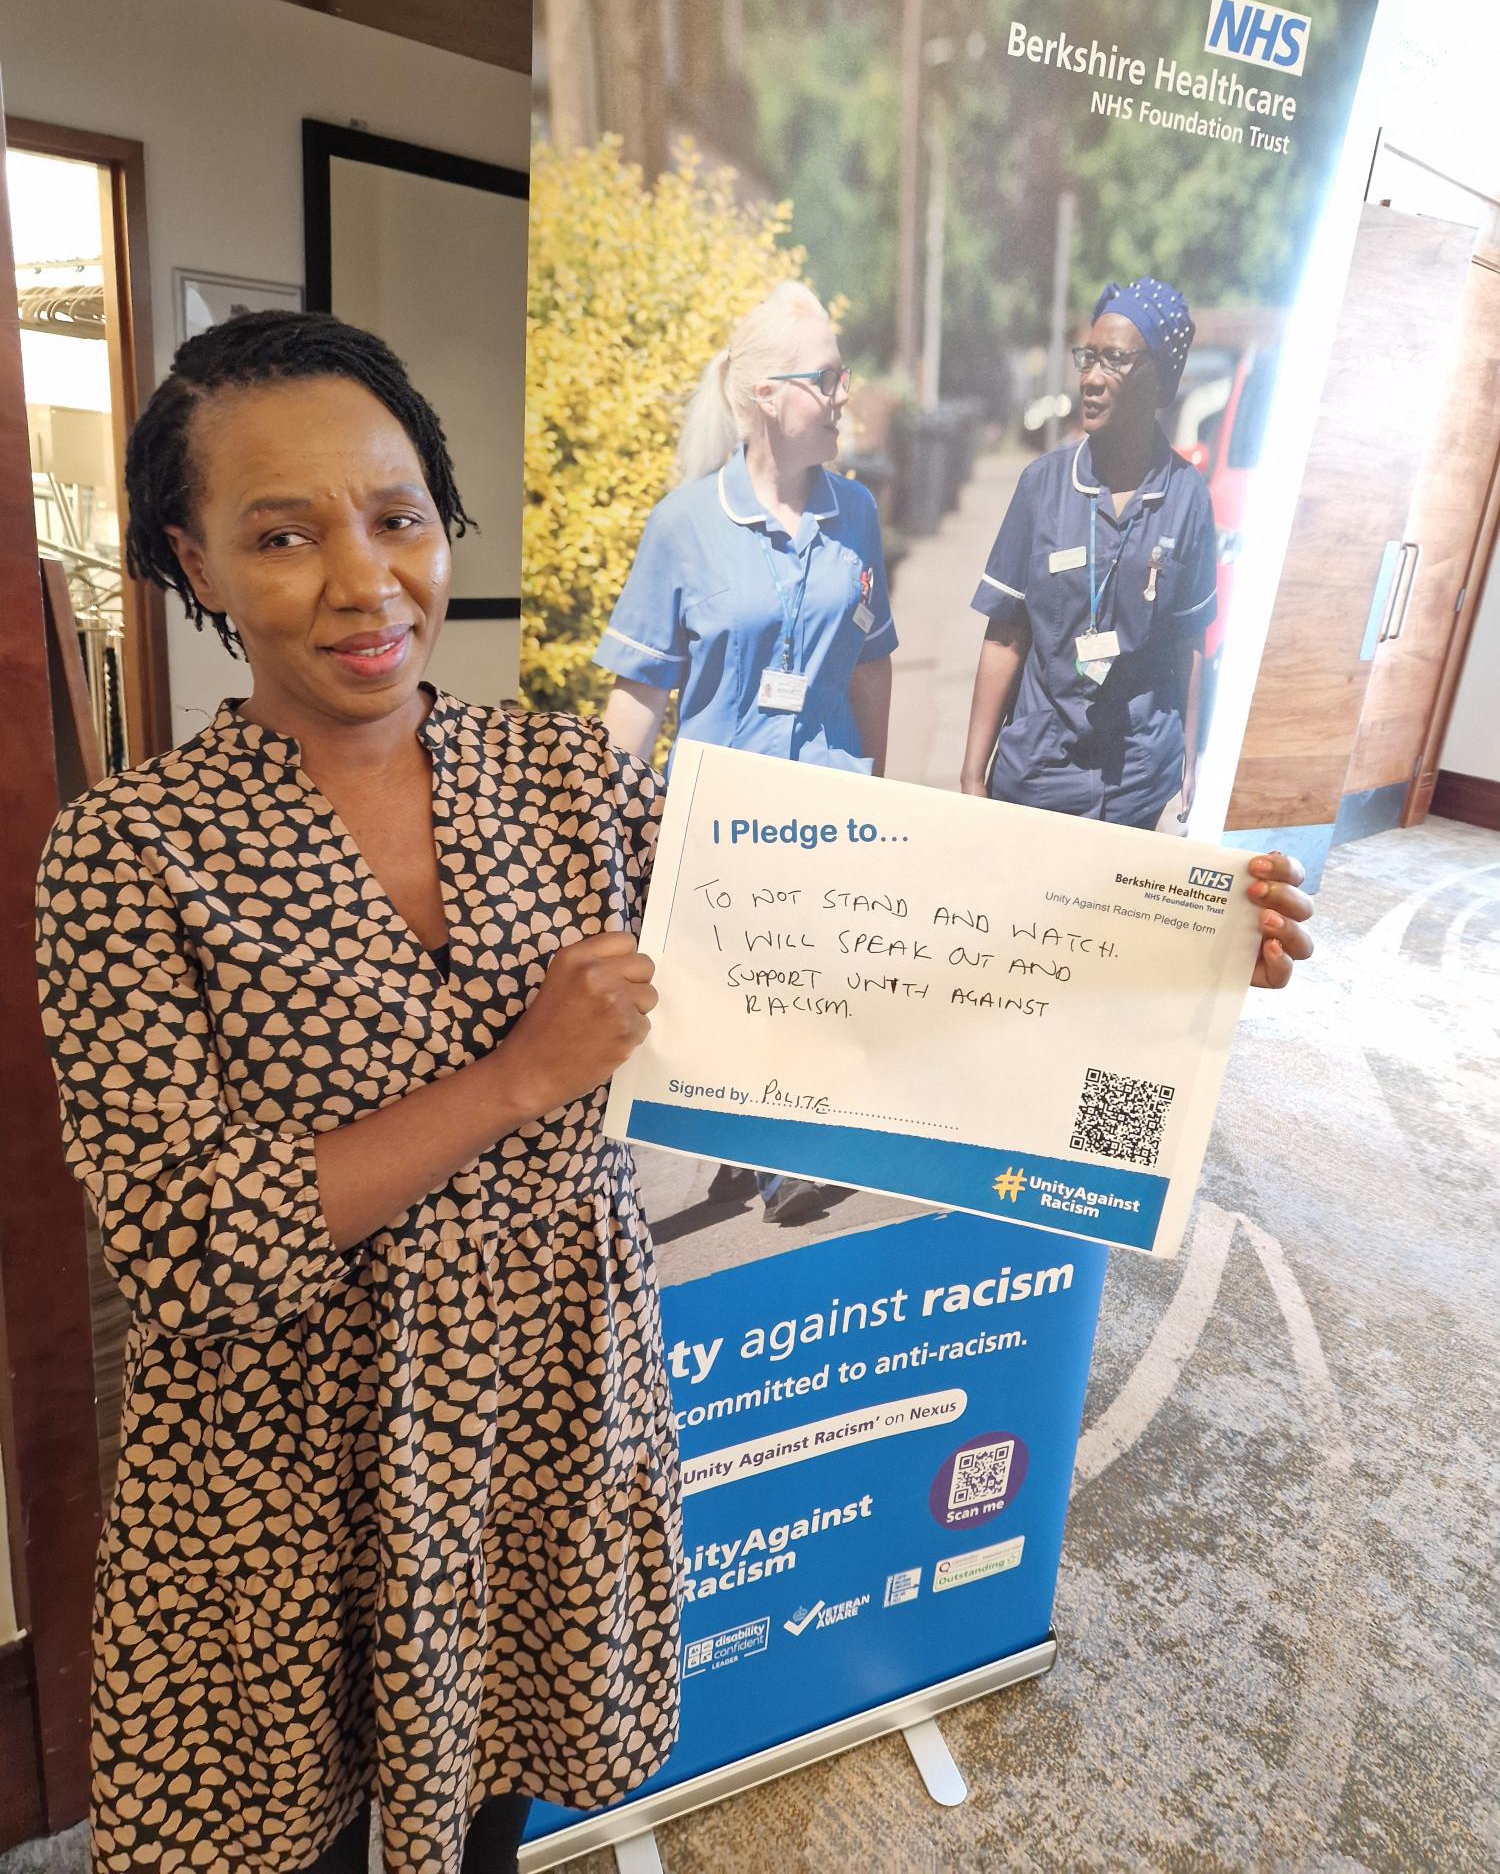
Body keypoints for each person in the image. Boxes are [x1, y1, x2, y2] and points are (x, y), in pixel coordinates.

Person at [33, 311, 678, 1874]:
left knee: (487, 1819)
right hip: (285, 1452)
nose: (362, 581)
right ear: (192, 566)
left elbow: (838, 952)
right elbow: (191, 1248)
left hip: (541, 1406)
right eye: (282, 534)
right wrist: (527, 1074)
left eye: (395, 518)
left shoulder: (573, 782)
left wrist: (1165, 945)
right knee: (288, 1845)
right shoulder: (128, 852)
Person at [596, 280, 896, 1221]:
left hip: (832, 810)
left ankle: (780, 1153)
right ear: (769, 396)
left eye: (845, 376)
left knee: (813, 995)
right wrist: (595, 826)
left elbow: (872, 661)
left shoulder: (860, 517)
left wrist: (880, 787)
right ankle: (750, 1152)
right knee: (732, 1006)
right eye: (827, 378)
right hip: (722, 824)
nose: (846, 394)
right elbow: (641, 692)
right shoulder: (685, 524)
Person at [962, 275, 1215, 831]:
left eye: (1116, 362)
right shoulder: (1042, 487)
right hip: (1037, 774)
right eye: (1088, 358)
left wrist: (1193, 761)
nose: (1092, 380)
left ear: (1158, 380)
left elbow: (1189, 640)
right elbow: (1006, 633)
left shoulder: (1186, 496)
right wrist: (971, 779)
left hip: (1137, 783)